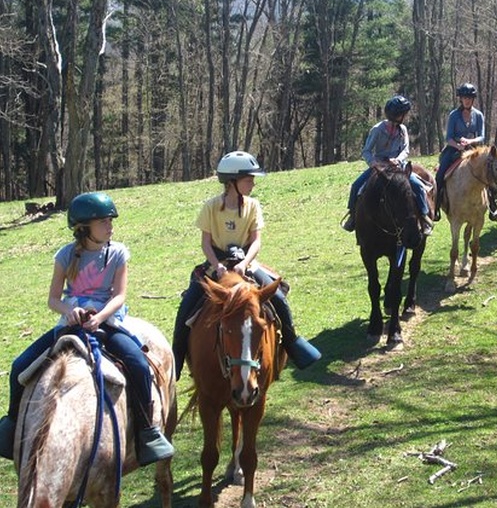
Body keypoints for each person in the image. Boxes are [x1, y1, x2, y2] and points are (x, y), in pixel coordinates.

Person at [0, 192, 174, 465]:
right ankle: (11, 428)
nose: (110, 226)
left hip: (108, 320)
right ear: (85, 227)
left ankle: (147, 431)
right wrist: (70, 311)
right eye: (104, 221)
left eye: (111, 221)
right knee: (20, 366)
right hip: (71, 324)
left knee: (139, 365)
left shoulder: (118, 253)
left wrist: (100, 317)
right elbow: (53, 299)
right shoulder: (65, 256)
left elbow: (119, 296)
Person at [172, 151, 320, 381]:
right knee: (187, 305)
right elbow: (206, 243)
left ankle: (291, 342)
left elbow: (256, 241)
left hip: (246, 263)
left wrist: (245, 263)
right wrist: (217, 266)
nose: (252, 184)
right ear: (232, 181)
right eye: (248, 179)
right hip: (216, 265)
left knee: (278, 298)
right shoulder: (210, 207)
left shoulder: (253, 206)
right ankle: (177, 356)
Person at [342, 95, 433, 234]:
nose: (405, 116)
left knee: (419, 186)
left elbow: (405, 149)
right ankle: (353, 216)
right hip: (379, 168)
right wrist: (374, 163)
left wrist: (398, 159)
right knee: (356, 186)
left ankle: (424, 217)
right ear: (397, 115)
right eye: (403, 113)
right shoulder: (377, 130)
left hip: (398, 167)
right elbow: (366, 151)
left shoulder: (402, 129)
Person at [434, 83, 486, 221]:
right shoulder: (454, 115)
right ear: (461, 99)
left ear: (473, 99)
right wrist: (458, 146)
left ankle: (492, 205)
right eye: (464, 98)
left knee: (490, 171)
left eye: (469, 98)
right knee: (440, 175)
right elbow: (448, 138)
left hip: (473, 149)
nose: (467, 100)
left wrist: (470, 142)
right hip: (453, 149)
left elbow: (482, 136)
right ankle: (436, 205)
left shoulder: (479, 115)